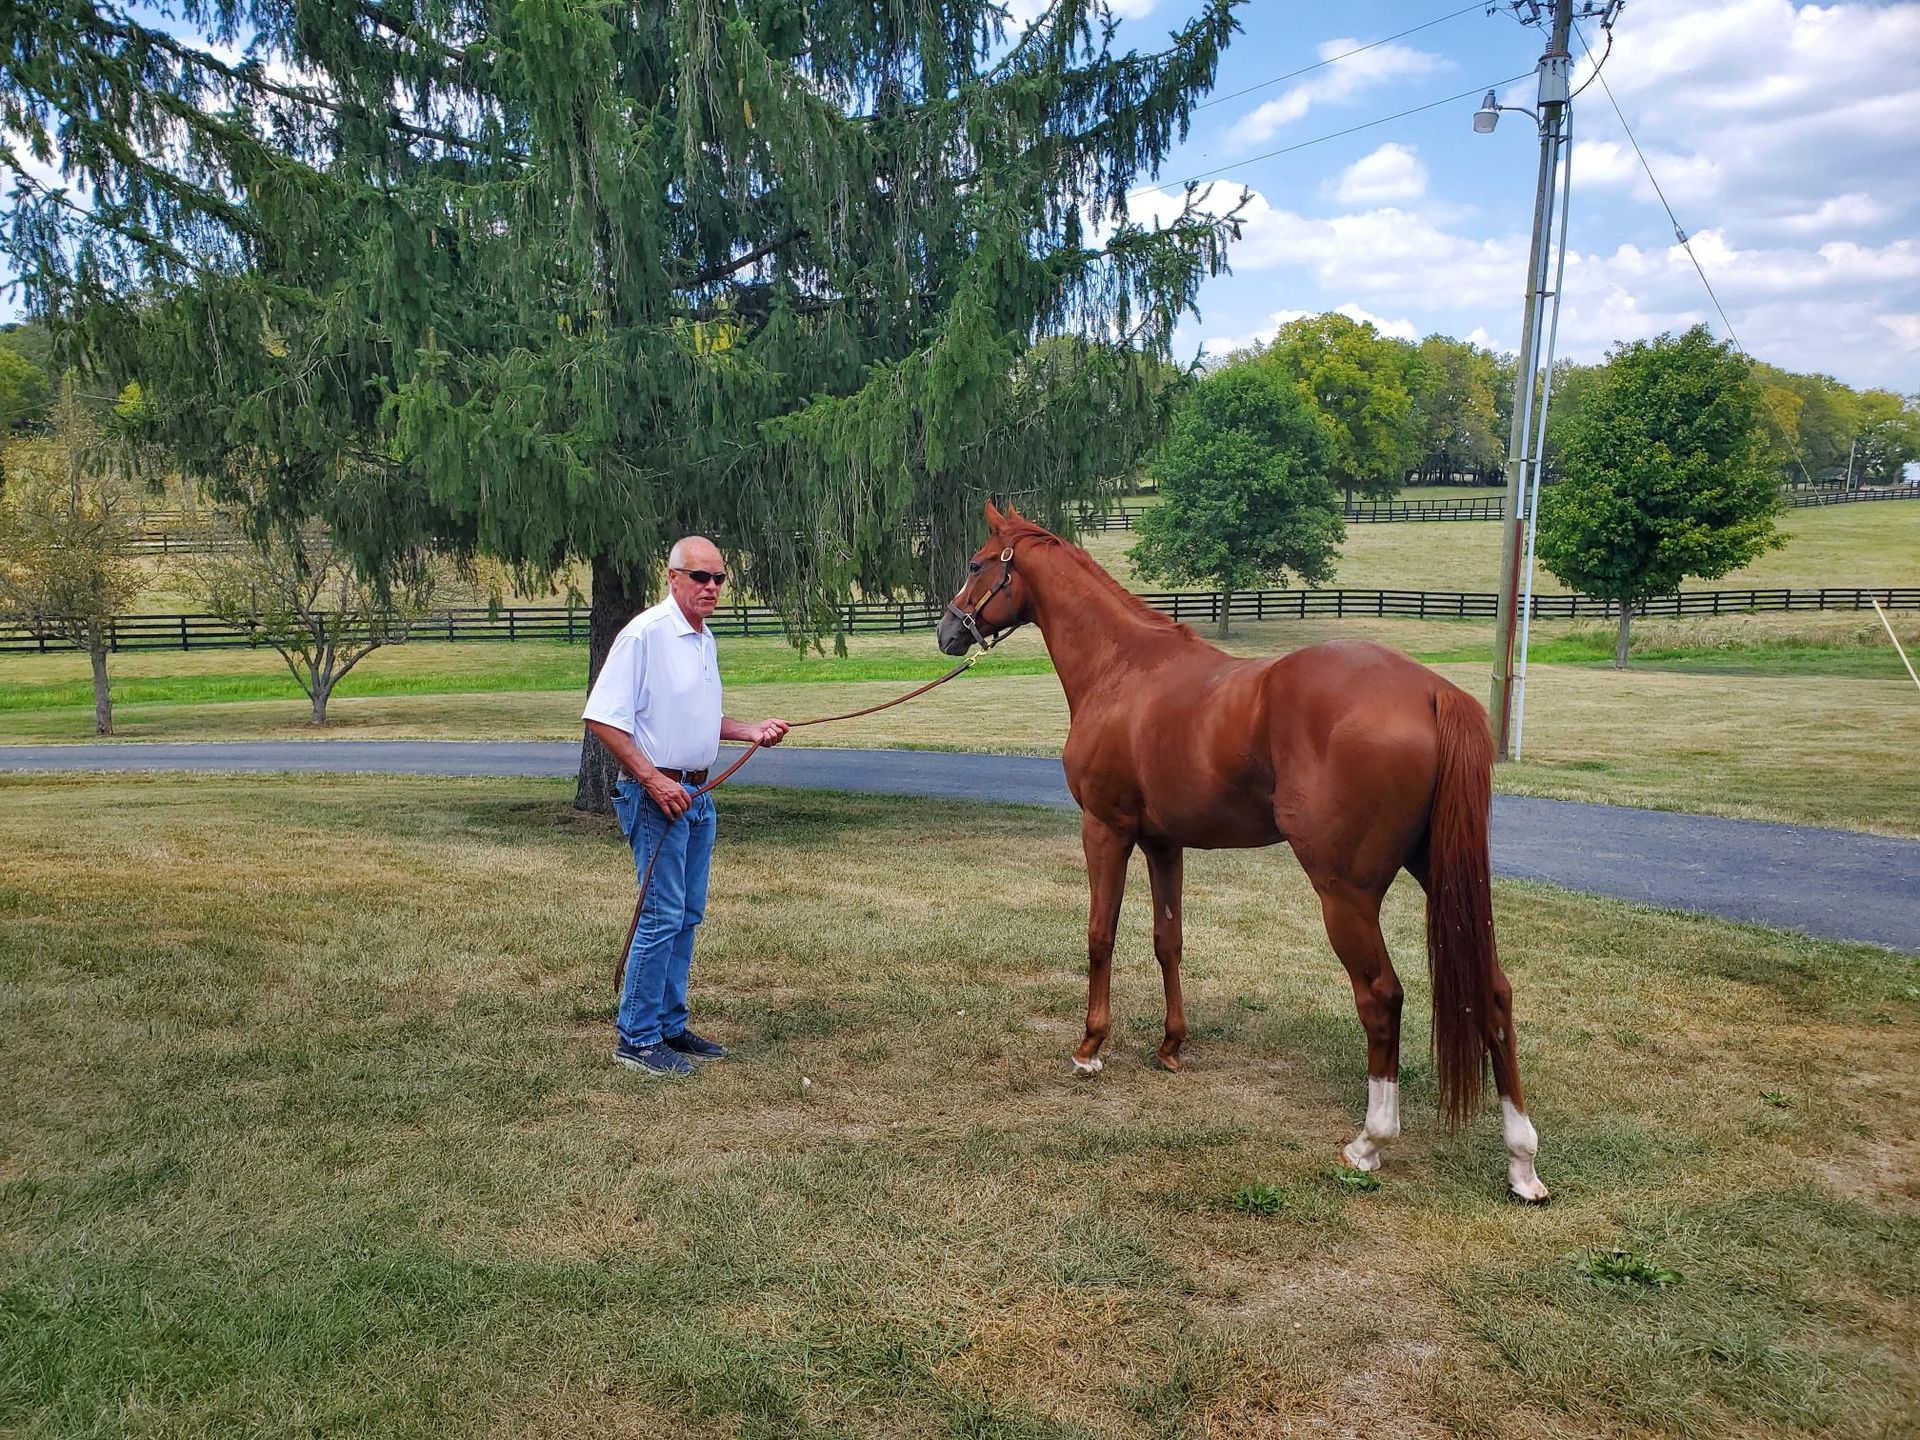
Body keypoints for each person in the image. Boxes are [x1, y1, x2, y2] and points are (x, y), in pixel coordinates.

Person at [583, 536, 789, 1076]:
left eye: (719, 579)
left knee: (687, 915)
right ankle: (637, 1038)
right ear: (672, 577)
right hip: (659, 800)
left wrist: (751, 730)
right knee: (661, 915)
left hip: (698, 796)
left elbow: (702, 719)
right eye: (700, 577)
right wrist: (653, 781)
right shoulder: (645, 635)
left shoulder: (704, 639)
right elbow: (602, 718)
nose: (712, 588)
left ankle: (669, 1025)